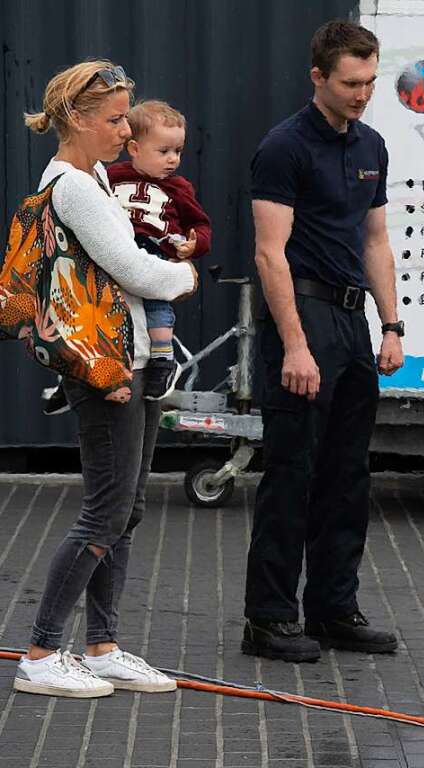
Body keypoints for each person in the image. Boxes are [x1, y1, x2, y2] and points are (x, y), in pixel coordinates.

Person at [14, 60, 197, 698]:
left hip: (136, 362)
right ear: (78, 119)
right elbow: (134, 270)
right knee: (103, 514)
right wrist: (184, 276)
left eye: (126, 117)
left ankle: (103, 645)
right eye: (116, 119)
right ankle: (40, 653)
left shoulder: (92, 175)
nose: (126, 131)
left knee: (127, 511)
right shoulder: (73, 186)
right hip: (107, 370)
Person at [242, 20, 404, 662]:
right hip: (302, 318)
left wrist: (391, 326)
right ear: (318, 77)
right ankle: (269, 618)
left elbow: (375, 241)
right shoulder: (283, 147)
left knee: (347, 476)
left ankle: (334, 609)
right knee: (292, 473)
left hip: (352, 323)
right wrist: (296, 347)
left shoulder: (372, 146)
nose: (363, 93)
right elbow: (268, 253)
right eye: (350, 83)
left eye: (369, 81)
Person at [40, 99, 211, 415]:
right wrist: (186, 277)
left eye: (178, 152)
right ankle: (68, 375)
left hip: (156, 250)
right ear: (134, 148)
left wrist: (194, 246)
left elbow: (201, 224)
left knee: (158, 307)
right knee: (88, 312)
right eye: (164, 152)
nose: (173, 160)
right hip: (121, 253)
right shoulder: (106, 175)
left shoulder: (179, 187)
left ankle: (163, 359)